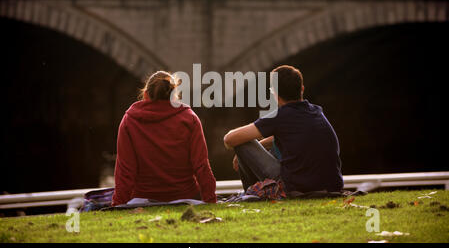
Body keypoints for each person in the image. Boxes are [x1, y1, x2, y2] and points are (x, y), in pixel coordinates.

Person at [223, 65, 343, 193]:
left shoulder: (280, 116)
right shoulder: (316, 111)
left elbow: (229, 139)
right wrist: (261, 145)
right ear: (302, 89)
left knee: (242, 143)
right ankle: (257, 192)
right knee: (277, 142)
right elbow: (289, 136)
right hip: (332, 185)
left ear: (275, 94)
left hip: (295, 186)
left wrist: (244, 153)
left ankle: (254, 194)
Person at [112, 71, 217, 206]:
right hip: (185, 197)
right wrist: (210, 200)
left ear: (145, 94)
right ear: (175, 96)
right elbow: (201, 165)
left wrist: (117, 204)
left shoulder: (129, 120)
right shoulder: (189, 118)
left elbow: (125, 171)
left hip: (141, 199)